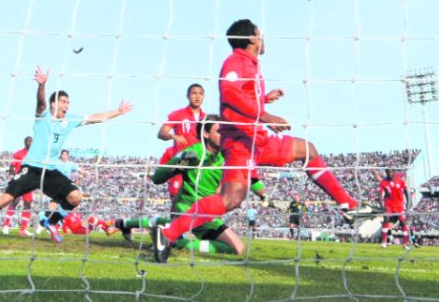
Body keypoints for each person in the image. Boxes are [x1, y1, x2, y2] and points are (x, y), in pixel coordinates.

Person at [152, 19, 371, 262]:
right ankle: (168, 233)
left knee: (308, 150)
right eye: (260, 33)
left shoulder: (250, 65)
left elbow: (241, 96)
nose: (263, 38)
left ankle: (348, 205)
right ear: (253, 38)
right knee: (231, 199)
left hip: (258, 140)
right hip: (240, 143)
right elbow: (230, 94)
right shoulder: (235, 61)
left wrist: (264, 100)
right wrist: (264, 115)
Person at [0, 66, 133, 242]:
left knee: (75, 196)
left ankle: (50, 222)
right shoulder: (43, 115)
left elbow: (94, 117)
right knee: (5, 199)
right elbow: (41, 103)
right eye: (63, 102)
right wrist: (41, 85)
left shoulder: (70, 120)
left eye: (68, 102)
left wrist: (117, 112)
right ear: (54, 104)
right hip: (32, 168)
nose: (66, 105)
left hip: (50, 171)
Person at [119, 115, 272, 256]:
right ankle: (170, 237)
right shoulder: (193, 153)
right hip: (188, 209)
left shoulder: (229, 155)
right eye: (219, 132)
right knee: (235, 247)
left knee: (238, 248)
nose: (224, 136)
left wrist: (264, 195)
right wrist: (179, 164)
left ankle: (175, 241)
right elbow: (158, 177)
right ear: (206, 134)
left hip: (208, 212)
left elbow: (249, 178)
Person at [157, 84, 206, 208]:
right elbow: (161, 133)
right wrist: (173, 136)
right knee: (176, 201)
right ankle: (173, 225)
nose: (197, 96)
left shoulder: (206, 119)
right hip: (182, 164)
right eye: (194, 93)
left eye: (200, 93)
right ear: (188, 96)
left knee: (198, 204)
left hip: (199, 166)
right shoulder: (178, 115)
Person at [36, 149, 81, 236]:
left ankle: (49, 224)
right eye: (63, 154)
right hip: (56, 187)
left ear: (68, 156)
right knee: (52, 207)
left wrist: (83, 174)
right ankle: (42, 225)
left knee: (61, 209)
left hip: (66, 188)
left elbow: (79, 170)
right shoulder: (57, 162)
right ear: (61, 155)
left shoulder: (71, 164)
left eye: (65, 155)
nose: (64, 156)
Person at [3, 136, 35, 237]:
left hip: (29, 183)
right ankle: (6, 226)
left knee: (28, 204)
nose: (29, 142)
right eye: (28, 141)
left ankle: (23, 229)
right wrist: (14, 176)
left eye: (31, 141)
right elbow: (11, 166)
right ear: (24, 142)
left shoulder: (35, 154)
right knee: (15, 201)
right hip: (18, 182)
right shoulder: (18, 153)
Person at [379, 169, 411, 249]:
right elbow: (380, 196)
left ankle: (406, 243)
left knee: (403, 222)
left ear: (393, 172)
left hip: (399, 205)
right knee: (386, 219)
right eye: (387, 172)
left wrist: (408, 205)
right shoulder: (383, 182)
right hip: (388, 205)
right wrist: (382, 207)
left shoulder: (400, 181)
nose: (389, 173)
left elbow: (407, 192)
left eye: (390, 172)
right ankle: (384, 241)